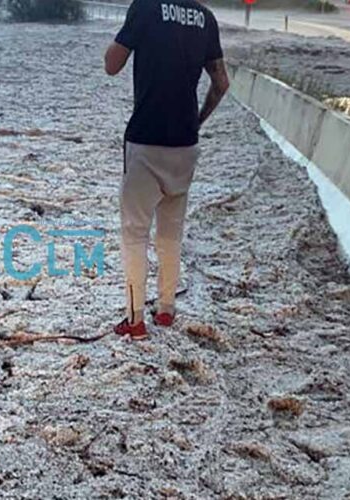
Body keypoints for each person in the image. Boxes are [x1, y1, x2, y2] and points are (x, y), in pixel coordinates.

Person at [105, 0, 230, 340]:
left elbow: (111, 65)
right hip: (185, 144)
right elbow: (221, 83)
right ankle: (165, 310)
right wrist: (198, 121)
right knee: (170, 234)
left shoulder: (145, 7)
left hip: (145, 140)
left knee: (135, 234)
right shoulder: (205, 17)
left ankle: (135, 319)